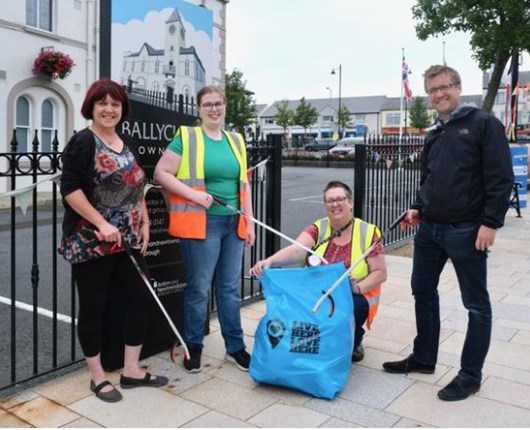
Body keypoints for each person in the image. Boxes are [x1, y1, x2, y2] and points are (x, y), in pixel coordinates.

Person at [382, 65, 514, 401]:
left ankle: (470, 375)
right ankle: (425, 358)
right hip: (430, 229)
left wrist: (490, 223)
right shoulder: (435, 132)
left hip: (467, 229)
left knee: (476, 304)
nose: (439, 94)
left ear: (457, 87)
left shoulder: (483, 124)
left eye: (444, 87)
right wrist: (417, 207)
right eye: (433, 90)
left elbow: (500, 177)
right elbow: (429, 178)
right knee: (422, 290)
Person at [58, 78, 168, 403]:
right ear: (91, 107)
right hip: (92, 241)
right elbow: (70, 190)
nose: (109, 109)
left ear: (122, 109)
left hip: (128, 241)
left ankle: (131, 370)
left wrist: (145, 220)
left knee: (140, 299)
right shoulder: (83, 142)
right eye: (103, 103)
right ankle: (97, 377)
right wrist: (102, 223)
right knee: (94, 308)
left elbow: (137, 185)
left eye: (115, 104)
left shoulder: (126, 139)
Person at [154, 85, 255, 373]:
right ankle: (193, 346)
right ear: (199, 109)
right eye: (208, 104)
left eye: (219, 103)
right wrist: (193, 195)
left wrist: (248, 222)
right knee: (199, 289)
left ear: (225, 107)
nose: (214, 109)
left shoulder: (236, 140)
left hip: (233, 222)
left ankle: (235, 347)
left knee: (229, 289)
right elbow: (161, 173)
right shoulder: (187, 137)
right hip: (202, 223)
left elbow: (243, 185)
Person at [250, 180, 387, 362]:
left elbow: (380, 272)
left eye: (340, 199)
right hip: (317, 291)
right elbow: (296, 250)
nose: (335, 204)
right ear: (325, 205)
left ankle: (354, 339)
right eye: (330, 201)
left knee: (358, 306)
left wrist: (358, 288)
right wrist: (270, 261)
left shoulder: (367, 232)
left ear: (350, 202)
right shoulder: (318, 228)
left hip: (350, 293)